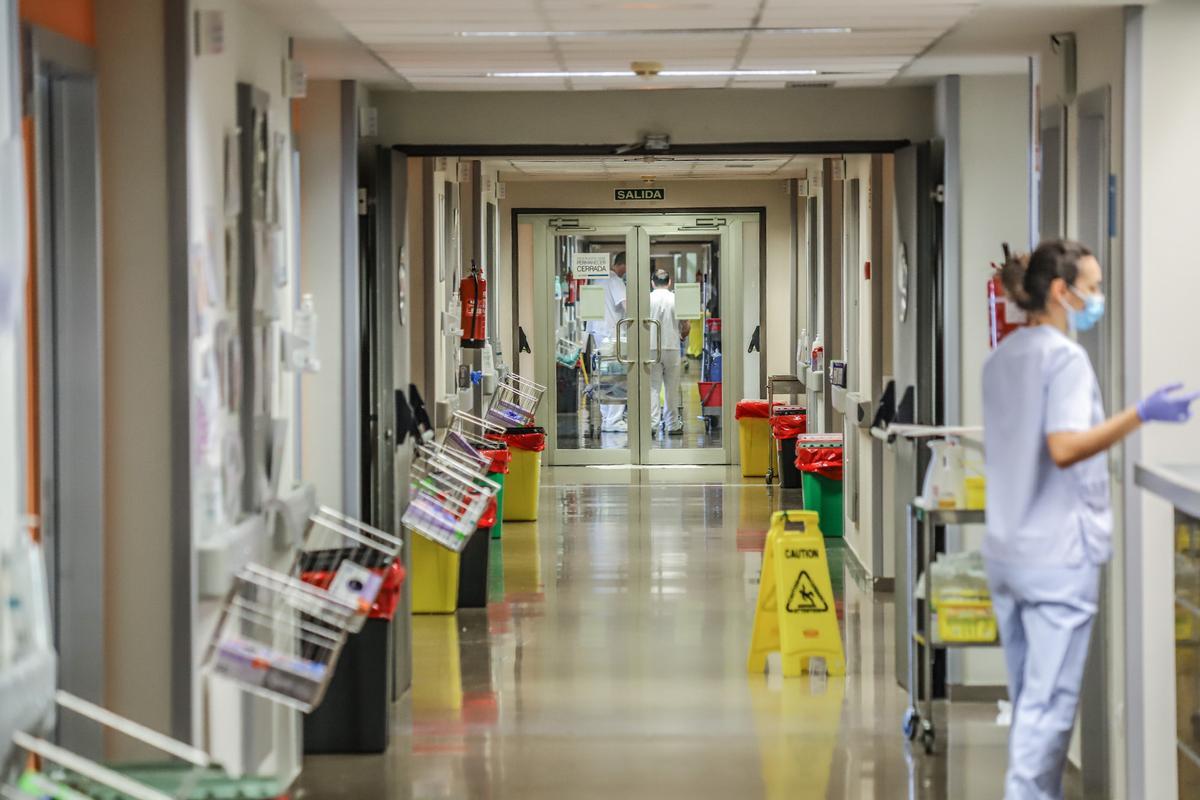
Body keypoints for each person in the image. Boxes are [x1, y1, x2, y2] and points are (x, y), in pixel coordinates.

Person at [982, 239, 1199, 799]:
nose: (1097, 297)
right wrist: (1140, 414)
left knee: (1031, 700)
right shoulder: (1065, 358)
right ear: (1061, 291)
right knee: (1047, 713)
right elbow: (1064, 447)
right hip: (1057, 558)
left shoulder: (1003, 357)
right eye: (1094, 287)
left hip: (1010, 552)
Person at [648, 269, 689, 436]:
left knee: (653, 387)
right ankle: (672, 424)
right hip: (672, 347)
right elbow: (686, 325)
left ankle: (652, 424)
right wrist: (681, 335)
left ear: (652, 282)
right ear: (669, 282)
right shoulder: (676, 298)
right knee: (671, 387)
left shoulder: (646, 299)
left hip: (651, 348)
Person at [597, 251, 628, 433]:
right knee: (618, 377)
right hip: (612, 336)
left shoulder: (598, 279)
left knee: (605, 379)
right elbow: (627, 305)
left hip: (600, 335)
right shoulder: (615, 281)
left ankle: (607, 418)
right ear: (624, 265)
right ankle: (614, 421)